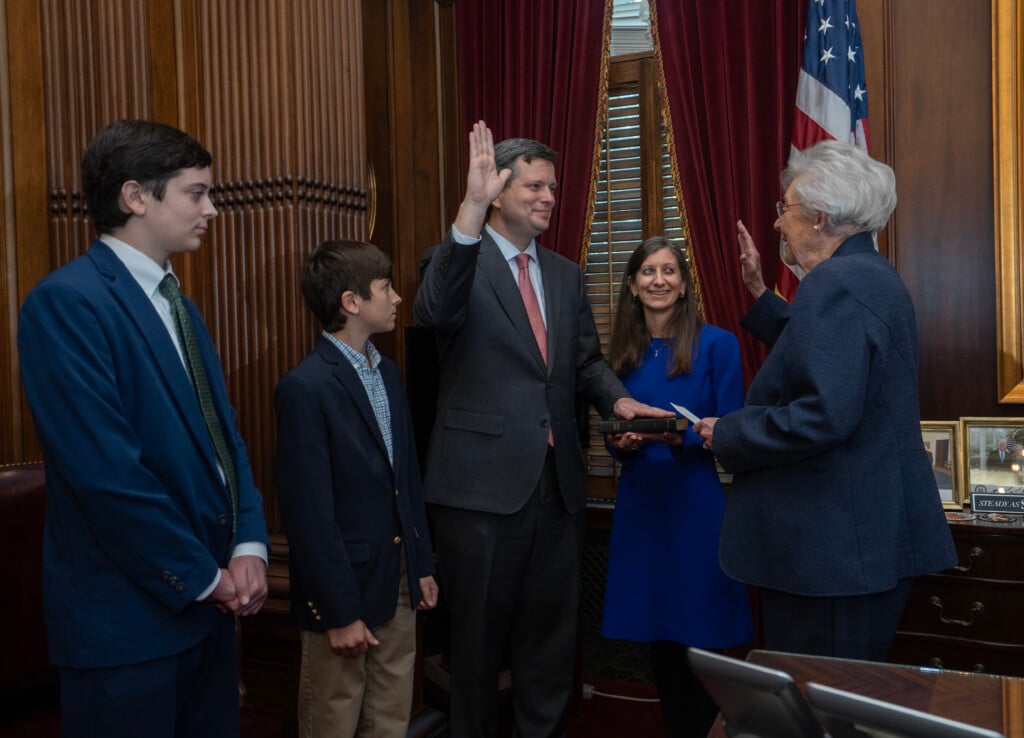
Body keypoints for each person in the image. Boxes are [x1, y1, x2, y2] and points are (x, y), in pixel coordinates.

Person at [413, 121, 670, 737]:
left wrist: (620, 401)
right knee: (474, 649)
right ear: (497, 191)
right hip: (478, 493)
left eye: (553, 187)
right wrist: (468, 212)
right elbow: (430, 313)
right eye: (534, 185)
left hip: (557, 491)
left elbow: (583, 361)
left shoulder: (565, 273)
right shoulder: (455, 260)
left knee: (550, 647)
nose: (549, 197)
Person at [17, 119, 270, 736]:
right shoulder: (67, 302)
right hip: (127, 623)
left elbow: (223, 437)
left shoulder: (180, 304)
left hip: (209, 612)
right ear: (136, 197)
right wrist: (203, 575)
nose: (211, 209)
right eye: (196, 193)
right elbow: (106, 474)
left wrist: (249, 545)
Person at [694, 140, 957, 661]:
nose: (776, 225)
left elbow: (824, 413)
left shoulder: (833, 284)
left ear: (818, 218)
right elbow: (834, 355)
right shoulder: (870, 276)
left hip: (831, 552)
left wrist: (728, 433)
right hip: (860, 543)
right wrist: (761, 298)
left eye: (784, 210)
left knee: (820, 707)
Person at [274, 240, 439, 737]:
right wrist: (340, 612)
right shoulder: (305, 388)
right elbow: (308, 515)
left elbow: (405, 477)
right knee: (334, 718)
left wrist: (423, 563)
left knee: (390, 719)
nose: (395, 299)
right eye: (385, 287)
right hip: (343, 588)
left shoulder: (387, 373)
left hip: (399, 578)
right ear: (351, 302)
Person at [601, 237, 753, 738]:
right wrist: (622, 443)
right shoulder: (620, 354)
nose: (659, 280)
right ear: (631, 285)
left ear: (685, 285)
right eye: (647, 271)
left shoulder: (718, 344)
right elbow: (609, 429)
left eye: (669, 271)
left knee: (703, 633)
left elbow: (732, 430)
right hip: (641, 504)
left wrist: (679, 435)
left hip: (695, 504)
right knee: (658, 637)